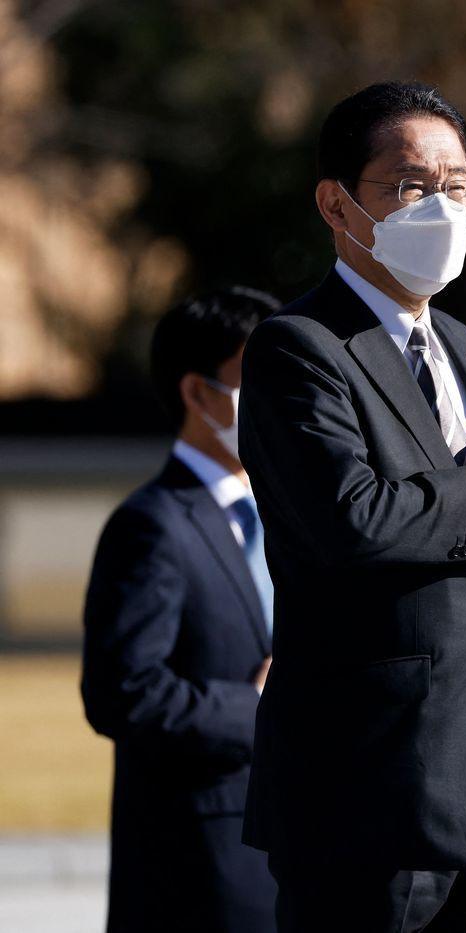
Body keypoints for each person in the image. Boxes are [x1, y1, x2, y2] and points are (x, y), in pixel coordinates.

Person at [237, 81, 466, 932]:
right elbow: (351, 520)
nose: (443, 207)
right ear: (336, 203)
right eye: (413, 186)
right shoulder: (299, 348)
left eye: (458, 186)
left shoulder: (463, 345)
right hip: (361, 791)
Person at [81, 287, 279, 933]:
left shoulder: (294, 516)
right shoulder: (152, 525)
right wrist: (256, 708)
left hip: (309, 859)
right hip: (204, 873)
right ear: (197, 393)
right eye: (262, 376)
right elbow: (121, 691)